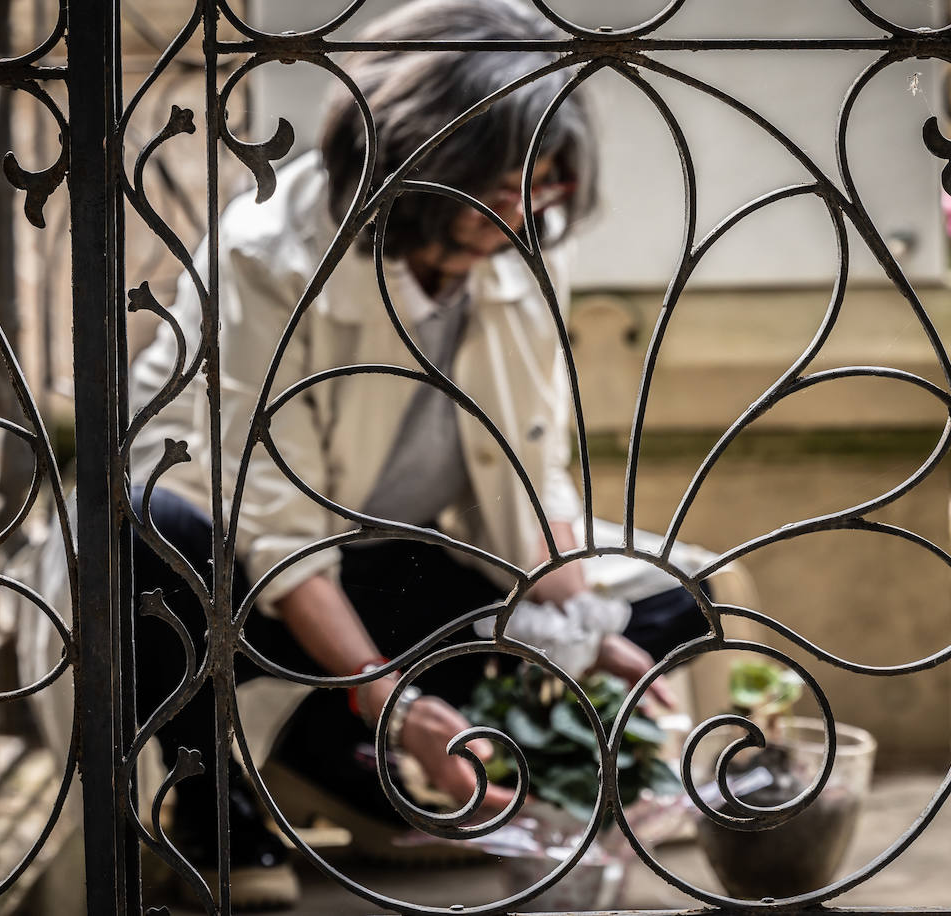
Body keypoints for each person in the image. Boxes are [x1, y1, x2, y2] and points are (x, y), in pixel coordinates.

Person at [126, 0, 707, 907]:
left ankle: (386, 767)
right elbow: (271, 520)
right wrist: (388, 697)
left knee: (675, 603)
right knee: (148, 529)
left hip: (389, 565)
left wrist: (589, 635)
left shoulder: (524, 245)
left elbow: (533, 471)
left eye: (546, 181)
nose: (526, 209)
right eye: (501, 183)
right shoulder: (267, 255)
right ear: (423, 160)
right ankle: (217, 804)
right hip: (245, 584)